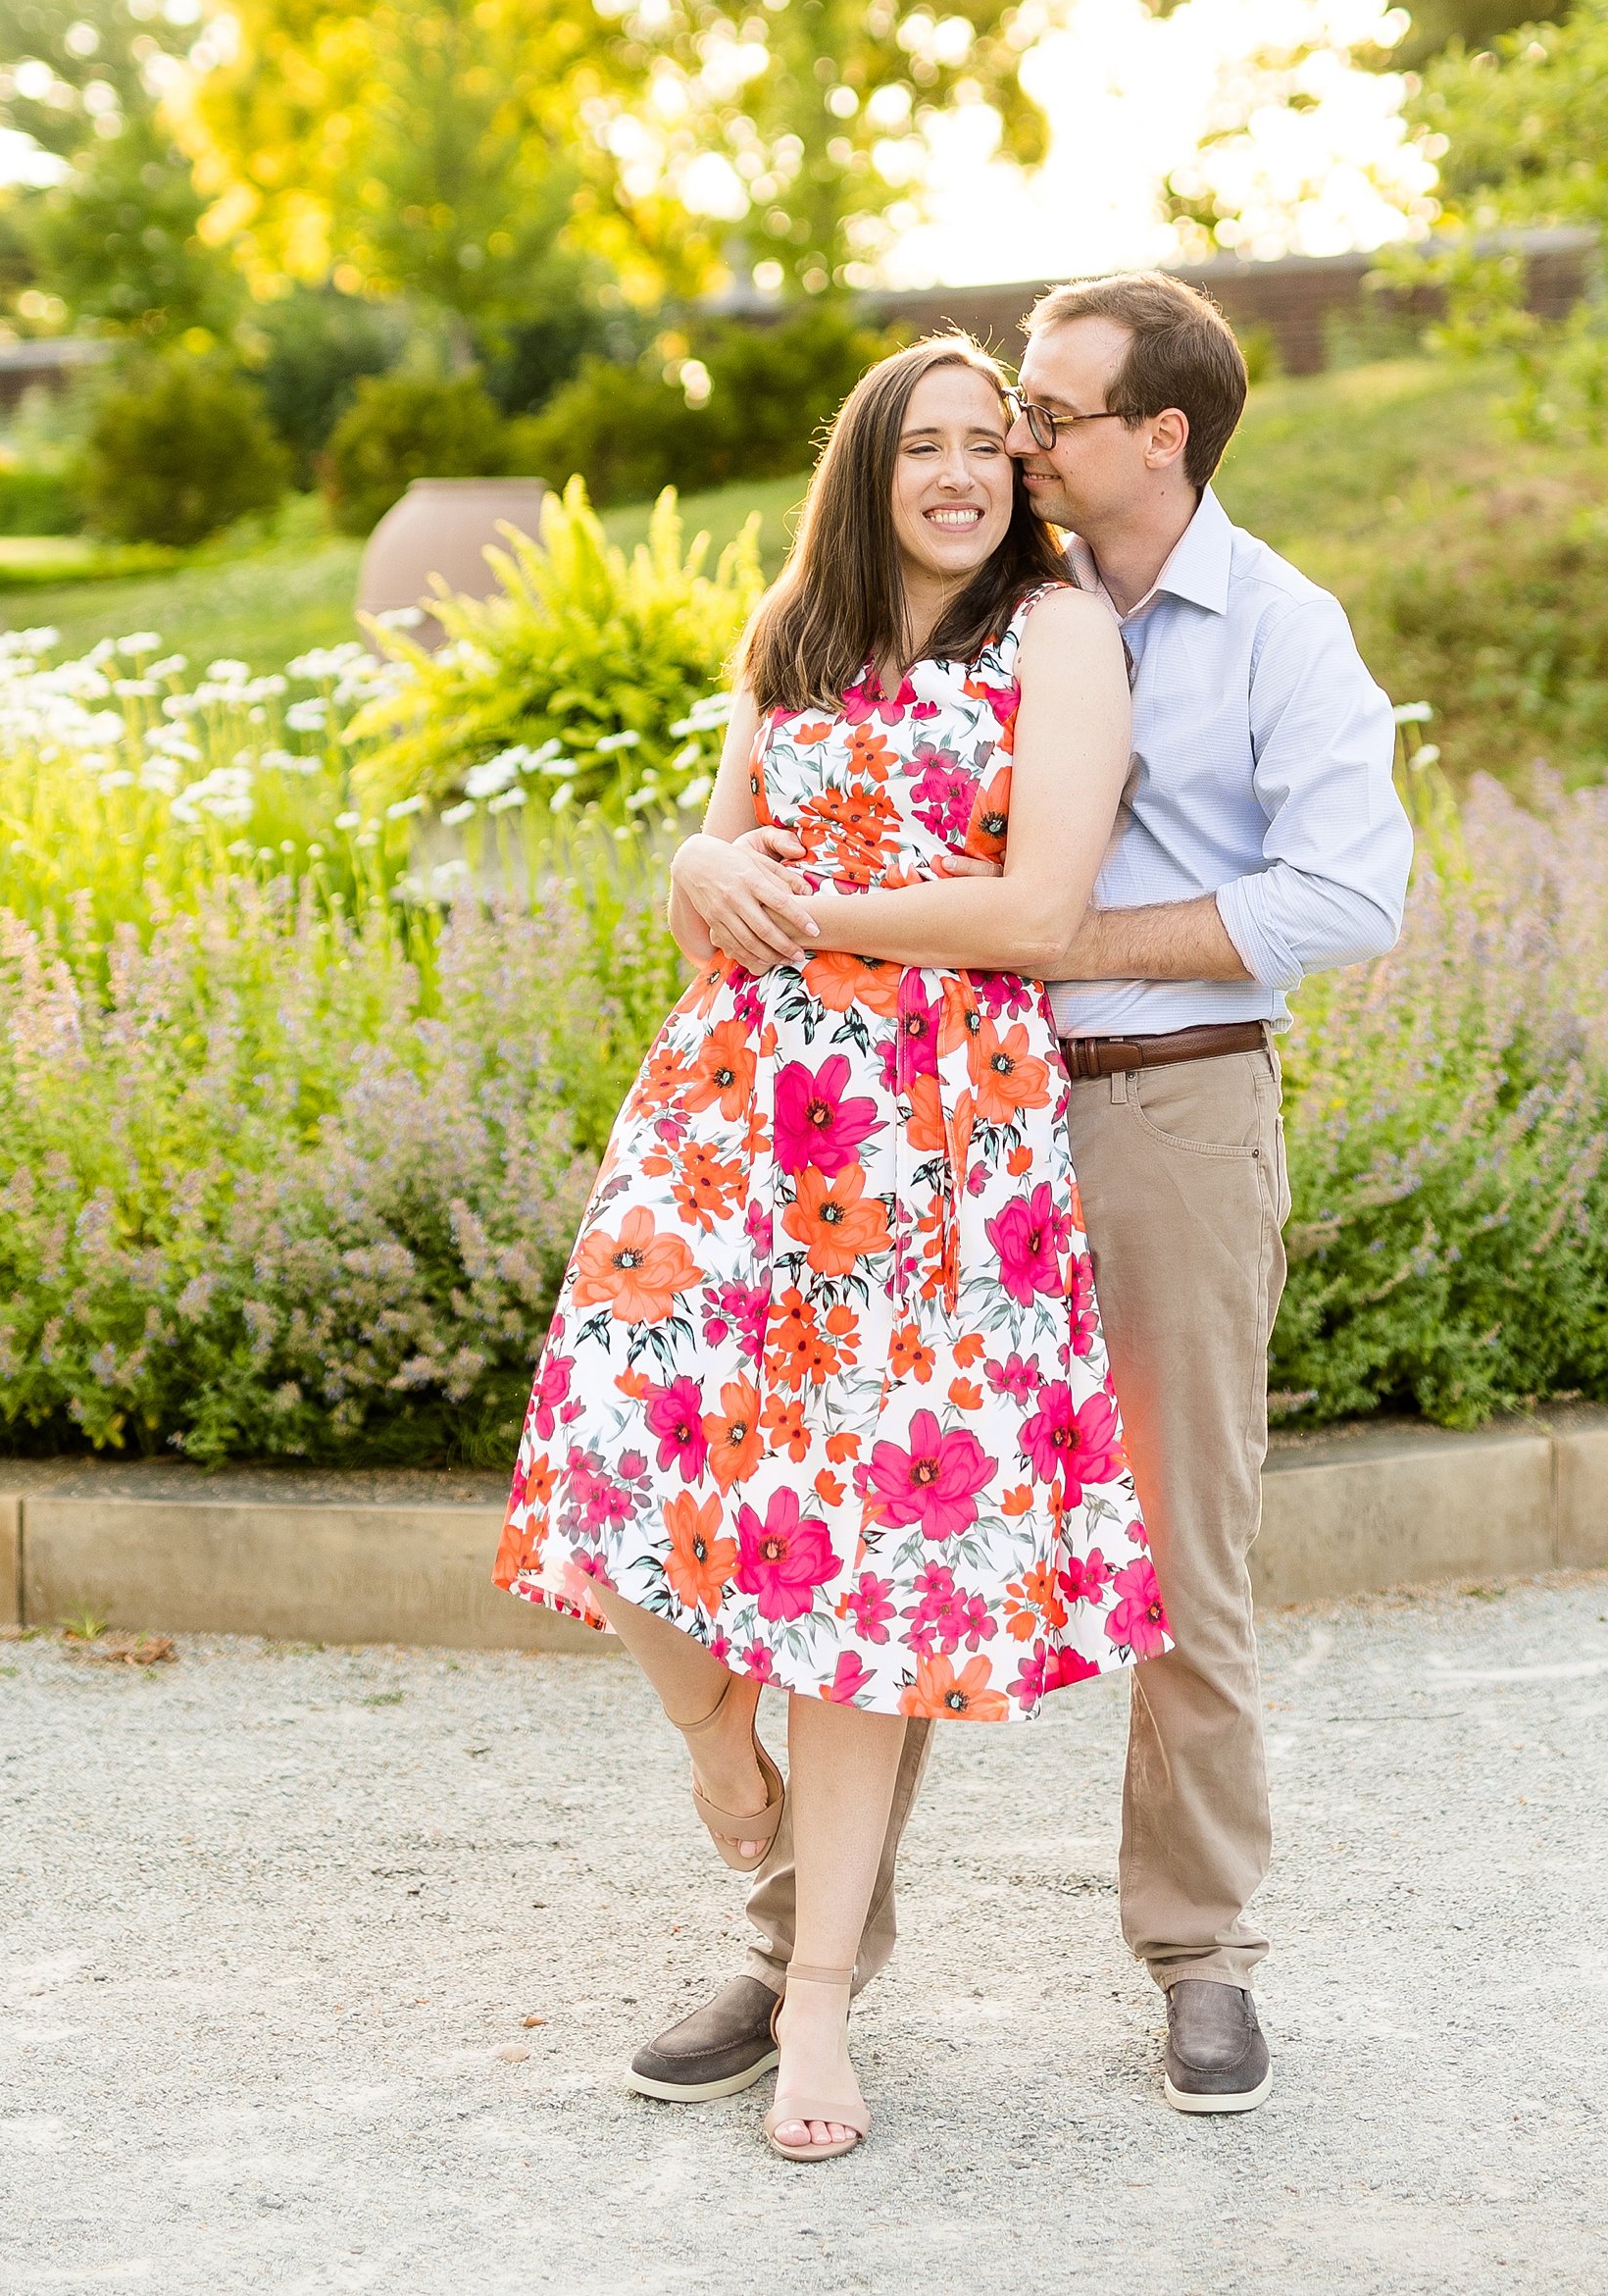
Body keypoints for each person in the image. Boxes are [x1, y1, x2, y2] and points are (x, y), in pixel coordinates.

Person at [650, 270, 1410, 2117]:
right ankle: (800, 1953)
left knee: (1180, 1541)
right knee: (861, 1514)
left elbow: (1353, 894)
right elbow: (789, 793)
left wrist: (1062, 957)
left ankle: (1201, 1953)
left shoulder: (1278, 629)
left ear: (1162, 434)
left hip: (1157, 1103)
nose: (1020, 441)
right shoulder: (976, 598)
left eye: (1050, 416)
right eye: (1000, 421)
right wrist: (712, 855)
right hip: (920, 1124)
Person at [493, 332, 1173, 2162]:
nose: (956, 471)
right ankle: (728, 1754)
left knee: (860, 1567)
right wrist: (695, 873)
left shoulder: (1058, 633)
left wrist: (794, 906)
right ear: (866, 466)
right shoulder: (792, 632)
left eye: (984, 442)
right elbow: (714, 863)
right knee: (607, 1433)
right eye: (921, 443)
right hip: (734, 1108)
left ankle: (812, 2016)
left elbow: (1039, 907)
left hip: (939, 1130)